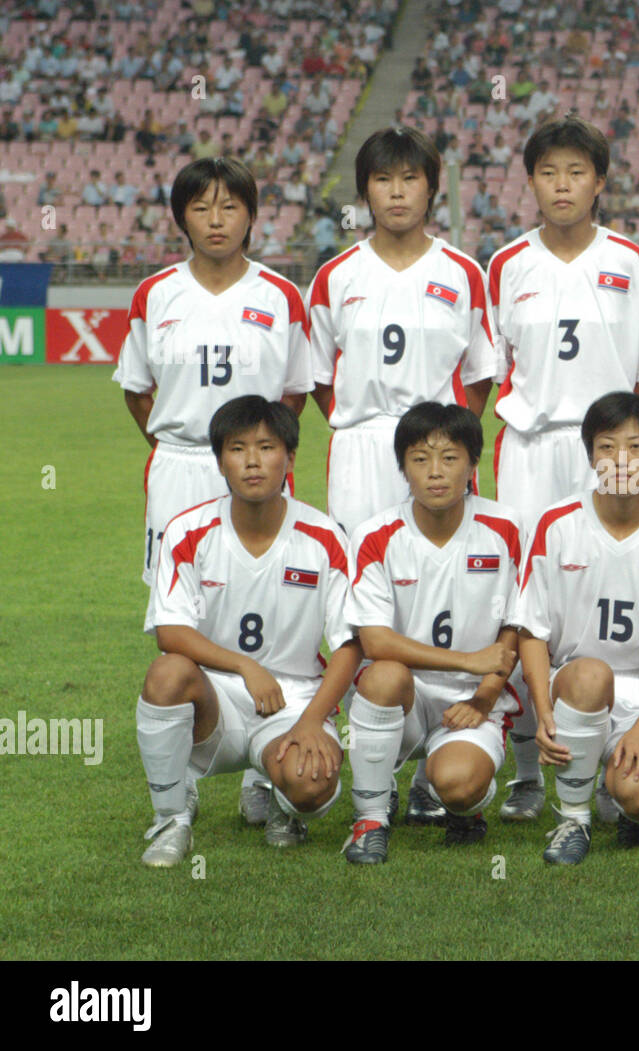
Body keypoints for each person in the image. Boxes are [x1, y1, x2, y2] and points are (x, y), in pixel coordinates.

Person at [113, 158, 313, 825]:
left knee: (274, 601)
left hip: (253, 465)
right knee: (180, 628)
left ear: (253, 215)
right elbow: (137, 390)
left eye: (231, 207)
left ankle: (265, 758)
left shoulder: (282, 296)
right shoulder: (155, 295)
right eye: (202, 207)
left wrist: (251, 456)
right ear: (182, 217)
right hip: (181, 465)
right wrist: (187, 449)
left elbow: (294, 393)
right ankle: (185, 776)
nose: (218, 220)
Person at [486, 116, 639, 821]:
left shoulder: (630, 261)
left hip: (613, 451)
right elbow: (488, 375)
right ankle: (530, 767)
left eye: (577, 173)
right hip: (532, 447)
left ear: (600, 181)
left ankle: (627, 752)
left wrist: (621, 445)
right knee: (533, 605)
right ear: (530, 182)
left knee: (618, 587)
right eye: (549, 173)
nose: (563, 186)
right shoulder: (506, 264)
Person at [135, 396, 358, 866]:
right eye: (238, 449)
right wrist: (245, 666)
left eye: (267, 447)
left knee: (312, 784)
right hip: (215, 703)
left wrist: (313, 720)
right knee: (166, 673)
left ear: (290, 458)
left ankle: (281, 797)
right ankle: (172, 817)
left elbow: (349, 647)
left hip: (292, 701)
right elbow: (170, 631)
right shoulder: (188, 531)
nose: (253, 461)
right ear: (219, 461)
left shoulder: (325, 538)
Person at [511, 393, 639, 865]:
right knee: (590, 672)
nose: (621, 460)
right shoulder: (555, 524)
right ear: (589, 455)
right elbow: (531, 632)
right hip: (574, 687)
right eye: (606, 447)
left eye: (637, 447)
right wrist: (543, 713)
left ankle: (621, 799)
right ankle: (573, 819)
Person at [343, 403, 523, 861]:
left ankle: (465, 805)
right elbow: (375, 642)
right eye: (420, 459)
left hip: (473, 696)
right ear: (403, 468)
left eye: (450, 457)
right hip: (404, 695)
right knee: (381, 674)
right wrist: (467, 660)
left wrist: (483, 694)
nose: (436, 472)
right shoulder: (375, 535)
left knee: (459, 786)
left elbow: (515, 628)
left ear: (473, 464)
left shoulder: (506, 528)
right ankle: (371, 817)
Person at [307, 126, 495, 538]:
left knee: (443, 574)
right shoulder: (335, 277)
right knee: (359, 575)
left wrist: (446, 435)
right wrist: (361, 422)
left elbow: (480, 374)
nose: (397, 192)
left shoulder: (464, 274)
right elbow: (318, 378)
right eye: (382, 179)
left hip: (437, 452)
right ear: (364, 192)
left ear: (430, 189)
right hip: (360, 451)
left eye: (410, 179)